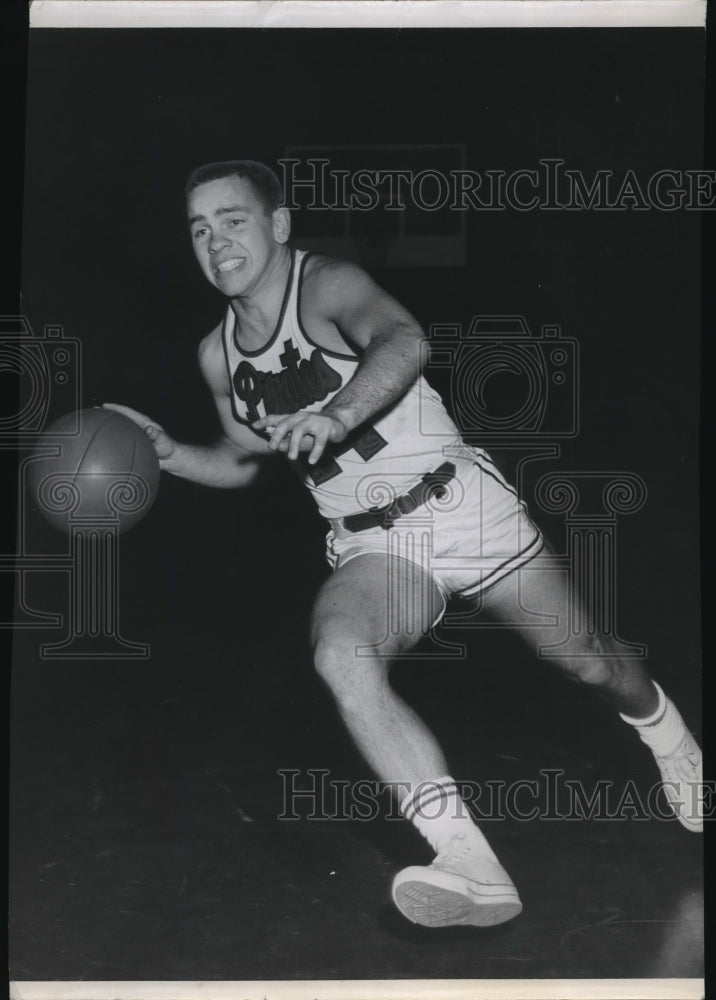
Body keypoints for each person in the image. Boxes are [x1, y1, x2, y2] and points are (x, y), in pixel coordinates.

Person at [107, 159, 703, 929]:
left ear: (278, 225)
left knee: (588, 659)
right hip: (371, 547)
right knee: (341, 655)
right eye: (199, 228)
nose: (216, 241)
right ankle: (468, 861)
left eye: (233, 219)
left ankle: (666, 732)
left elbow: (405, 341)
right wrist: (170, 456)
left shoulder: (324, 285)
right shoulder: (217, 354)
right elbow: (242, 457)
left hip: (457, 505)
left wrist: (339, 412)